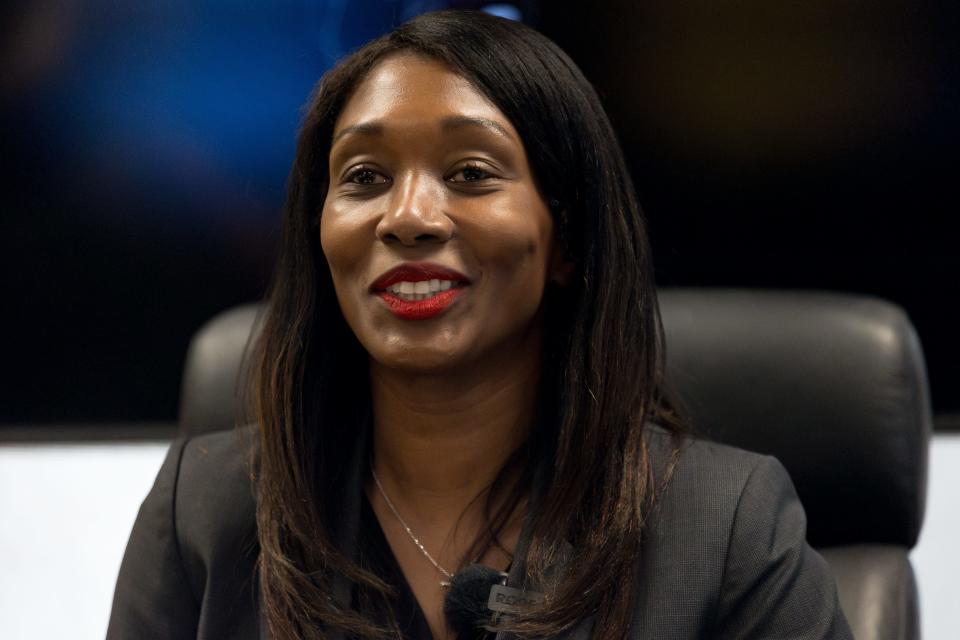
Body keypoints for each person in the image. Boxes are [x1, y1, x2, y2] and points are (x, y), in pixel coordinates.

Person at [107, 10, 852, 640]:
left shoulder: (725, 525)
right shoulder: (205, 511)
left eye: (469, 173)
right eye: (364, 178)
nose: (407, 218)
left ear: (565, 238)